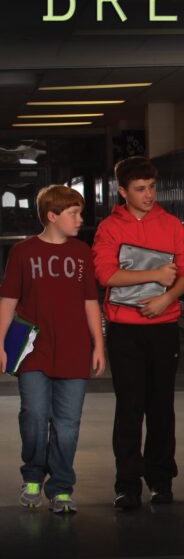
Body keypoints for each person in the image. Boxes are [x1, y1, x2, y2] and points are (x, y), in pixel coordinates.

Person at [92, 156, 184, 509]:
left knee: (161, 406)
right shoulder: (109, 228)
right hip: (124, 330)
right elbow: (107, 276)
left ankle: (161, 479)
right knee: (130, 407)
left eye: (152, 187)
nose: (149, 194)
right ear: (123, 191)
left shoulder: (171, 225)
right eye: (140, 189)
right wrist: (154, 275)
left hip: (164, 327)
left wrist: (165, 298)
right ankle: (127, 484)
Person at [0, 185, 105, 514]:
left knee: (67, 423)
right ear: (52, 216)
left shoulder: (81, 252)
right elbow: (8, 300)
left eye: (79, 213)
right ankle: (32, 474)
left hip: (74, 347)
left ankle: (61, 486)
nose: (80, 219)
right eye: (73, 213)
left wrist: (99, 343)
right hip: (33, 349)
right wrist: (1, 343)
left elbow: (91, 301)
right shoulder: (22, 253)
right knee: (33, 415)